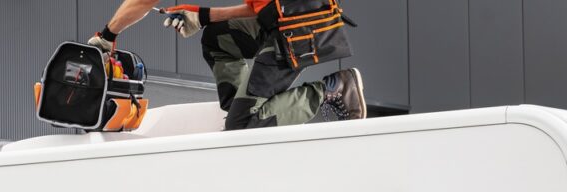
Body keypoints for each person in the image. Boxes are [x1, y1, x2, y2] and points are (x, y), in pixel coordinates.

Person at [89, 0, 366, 131]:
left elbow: (142, 1)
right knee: (217, 38)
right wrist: (203, 16)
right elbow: (258, 8)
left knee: (241, 126)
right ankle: (242, 107)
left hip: (300, 27)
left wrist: (107, 36)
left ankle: (335, 89)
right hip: (281, 17)